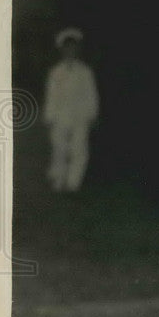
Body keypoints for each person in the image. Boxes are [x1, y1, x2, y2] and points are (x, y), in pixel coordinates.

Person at [43, 27, 100, 193]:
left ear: (78, 50)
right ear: (61, 50)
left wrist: (92, 114)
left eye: (74, 47)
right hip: (60, 115)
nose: (70, 51)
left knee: (79, 149)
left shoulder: (85, 72)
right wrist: (49, 116)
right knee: (59, 148)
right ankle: (59, 178)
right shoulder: (55, 72)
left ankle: (73, 182)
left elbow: (92, 94)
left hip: (80, 115)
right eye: (67, 47)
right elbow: (51, 95)